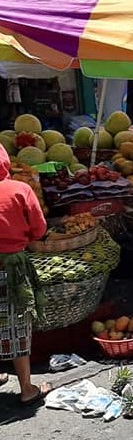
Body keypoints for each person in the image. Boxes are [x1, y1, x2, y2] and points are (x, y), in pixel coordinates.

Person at [0, 145, 51, 405]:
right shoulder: (20, 189)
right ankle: (27, 388)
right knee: (15, 323)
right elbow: (39, 229)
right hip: (12, 267)